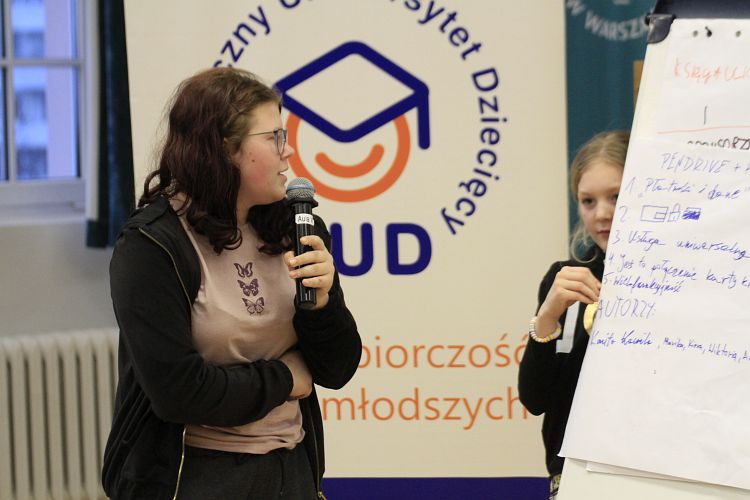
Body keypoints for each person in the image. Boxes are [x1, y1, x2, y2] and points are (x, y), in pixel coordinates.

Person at [101, 67, 361, 500]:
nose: (288, 150)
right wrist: (285, 377)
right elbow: (179, 392)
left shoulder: (297, 227)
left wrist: (322, 306)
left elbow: (336, 369)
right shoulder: (151, 246)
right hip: (195, 475)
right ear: (223, 149)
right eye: (274, 137)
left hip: (292, 468)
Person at [518, 130, 629, 500]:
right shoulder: (564, 279)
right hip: (574, 477)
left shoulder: (682, 280)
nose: (602, 214)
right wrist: (547, 317)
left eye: (616, 196)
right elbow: (535, 399)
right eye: (588, 201)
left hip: (656, 474)